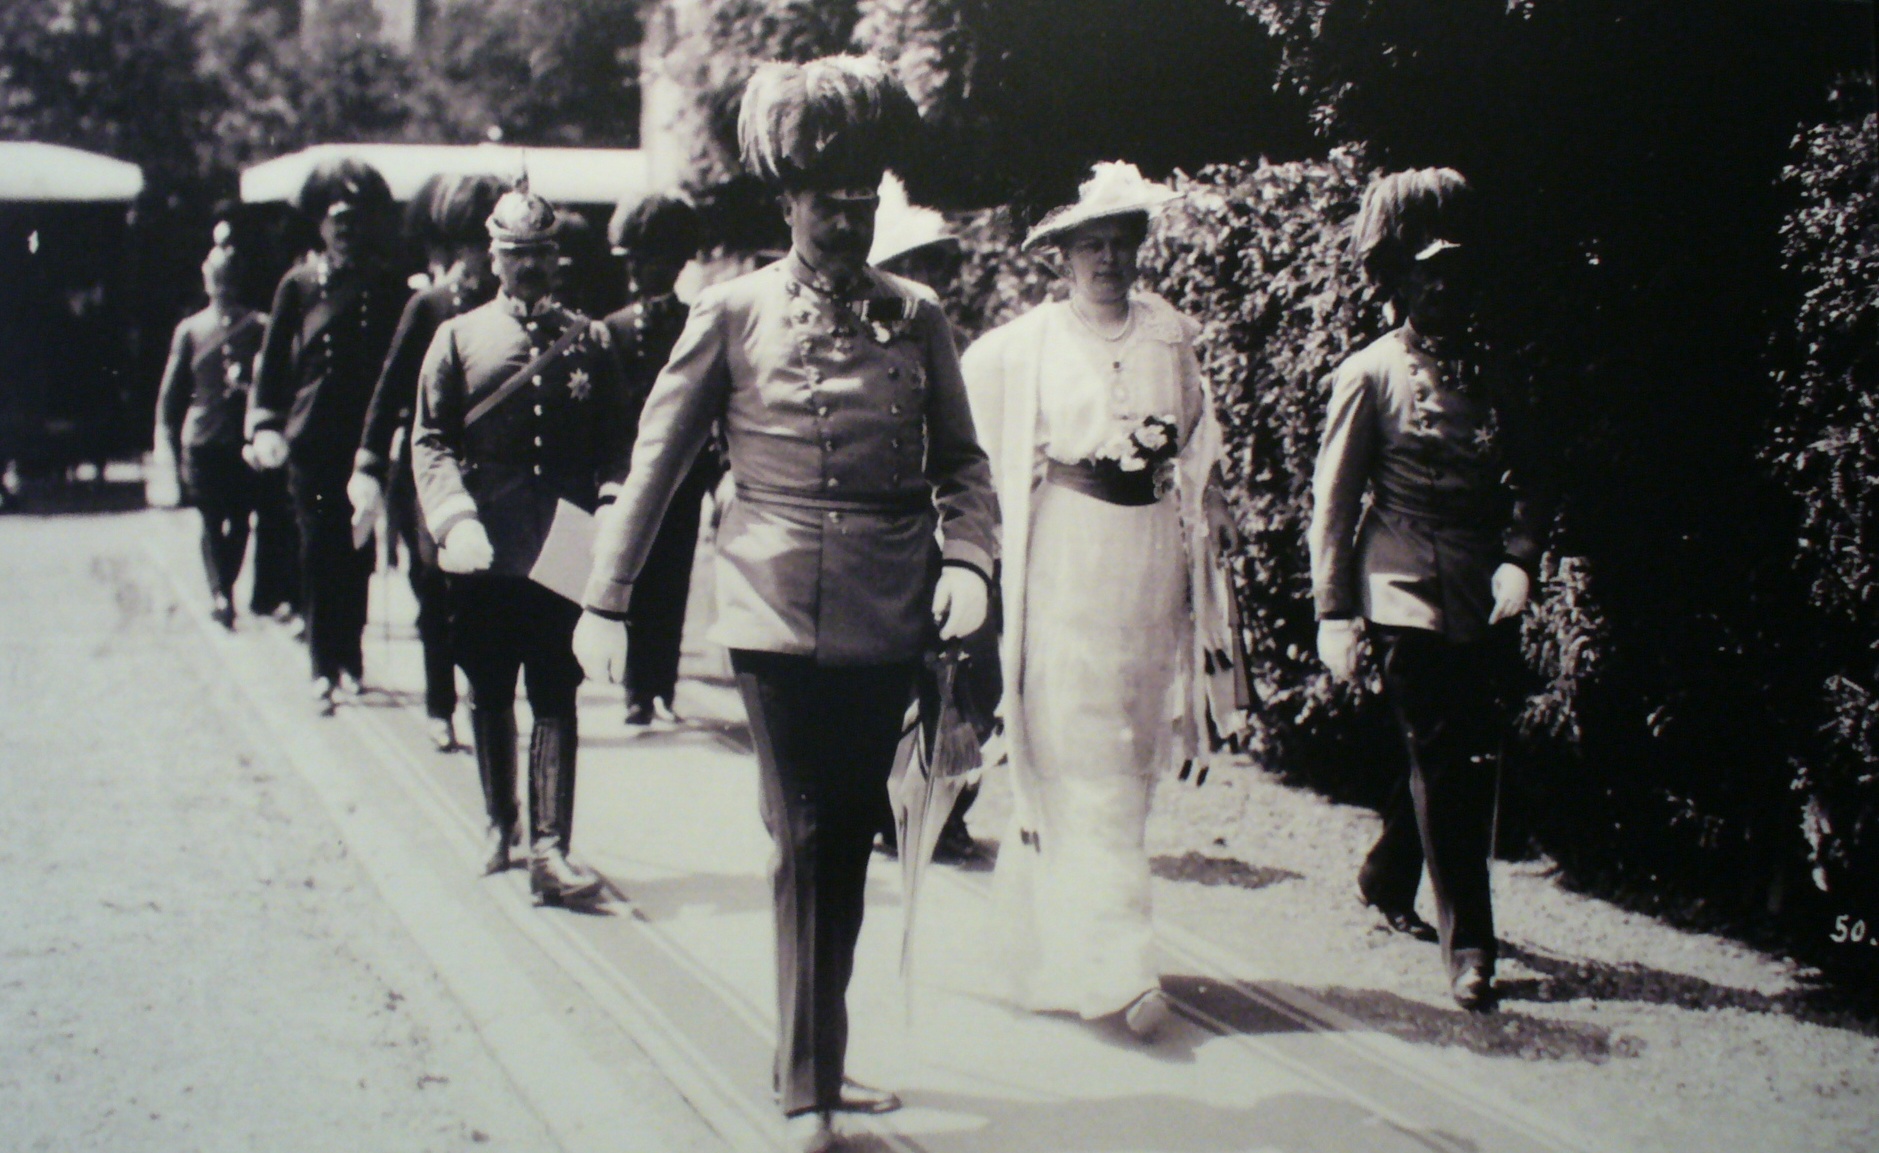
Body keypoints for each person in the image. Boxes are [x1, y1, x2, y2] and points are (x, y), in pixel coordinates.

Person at [572, 56, 997, 1153]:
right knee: (805, 834)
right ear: (787, 203)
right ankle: (809, 1095)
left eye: (861, 201)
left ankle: (812, 1053)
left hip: (889, 610)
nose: (845, 221)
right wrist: (605, 598)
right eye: (825, 202)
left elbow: (963, 464)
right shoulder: (731, 312)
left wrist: (969, 560)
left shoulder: (917, 315)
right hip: (770, 609)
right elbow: (657, 462)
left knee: (845, 838)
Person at [962, 161, 1245, 1042]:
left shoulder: (1167, 333)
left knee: (1128, 748)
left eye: (1121, 244)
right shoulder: (1024, 345)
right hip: (1067, 556)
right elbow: (968, 442)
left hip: (1147, 559)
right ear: (1062, 256)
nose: (1108, 260)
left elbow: (1198, 436)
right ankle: (1121, 965)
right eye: (1091, 245)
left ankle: (1044, 948)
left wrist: (1210, 499)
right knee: (1076, 749)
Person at [1308, 168, 1546, 1012]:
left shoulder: (1491, 371)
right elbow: (1334, 504)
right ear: (1400, 283)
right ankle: (1470, 947)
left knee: (1455, 747)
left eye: (1455, 275)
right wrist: (1333, 612)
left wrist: (1520, 556)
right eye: (1427, 275)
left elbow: (1531, 474)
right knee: (1446, 757)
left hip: (1477, 584)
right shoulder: (1368, 372)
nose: (1444, 290)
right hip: (1397, 582)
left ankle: (1385, 873)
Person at [411, 186, 632, 905]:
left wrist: (610, 501)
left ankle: (550, 848)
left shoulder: (590, 340)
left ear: (554, 257)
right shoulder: (457, 337)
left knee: (556, 687)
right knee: (489, 682)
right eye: (514, 254)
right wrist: (453, 517)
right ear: (493, 257)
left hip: (565, 534)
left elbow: (618, 440)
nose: (528, 266)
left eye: (539, 253)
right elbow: (430, 439)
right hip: (488, 537)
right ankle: (498, 822)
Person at [350, 175, 506, 752]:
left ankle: (483, 701)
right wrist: (369, 464)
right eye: (472, 243)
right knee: (434, 589)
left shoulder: (509, 309)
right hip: (430, 474)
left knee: (481, 598)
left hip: (492, 477)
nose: (481, 257)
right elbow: (389, 389)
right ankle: (441, 704)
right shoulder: (429, 307)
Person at [248, 159, 409, 712]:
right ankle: (321, 664)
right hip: (311, 438)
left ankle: (351, 656)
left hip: (363, 438)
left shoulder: (384, 284)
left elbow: (398, 362)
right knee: (317, 549)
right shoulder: (297, 285)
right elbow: (273, 362)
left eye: (353, 220)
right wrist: (265, 423)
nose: (345, 229)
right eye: (336, 220)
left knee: (358, 550)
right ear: (319, 225)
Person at [865, 173, 981, 864]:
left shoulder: (948, 336)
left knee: (952, 675)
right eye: (911, 264)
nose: (927, 278)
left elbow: (966, 447)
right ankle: (886, 807)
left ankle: (944, 809)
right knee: (893, 678)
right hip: (892, 532)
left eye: (934, 263)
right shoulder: (867, 346)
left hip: (947, 531)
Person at [601, 191, 713, 727]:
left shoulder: (697, 323)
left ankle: (662, 687)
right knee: (632, 575)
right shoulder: (612, 329)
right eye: (637, 260)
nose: (641, 271)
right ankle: (635, 690)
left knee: (673, 578)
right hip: (630, 477)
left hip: (683, 477)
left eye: (652, 260)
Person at [156, 241, 266, 629]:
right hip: (203, 440)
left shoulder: (257, 327)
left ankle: (225, 589)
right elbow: (171, 393)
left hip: (241, 440)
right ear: (207, 281)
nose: (223, 286)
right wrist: (167, 441)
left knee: (241, 521)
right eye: (217, 278)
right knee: (210, 519)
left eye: (228, 278)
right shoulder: (189, 331)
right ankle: (222, 595)